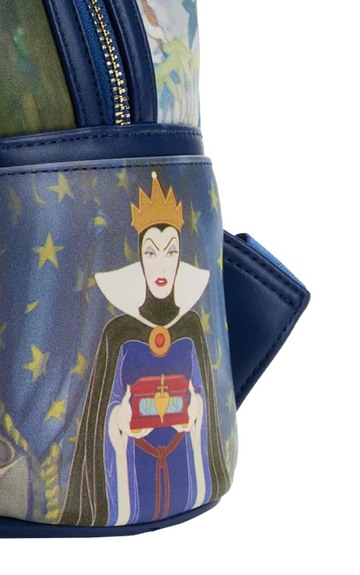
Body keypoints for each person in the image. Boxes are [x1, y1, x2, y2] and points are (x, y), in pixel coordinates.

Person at [62, 171, 230, 526]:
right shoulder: (119, 334)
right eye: (151, 252)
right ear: (139, 257)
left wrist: (197, 409)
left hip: (184, 467)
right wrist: (119, 422)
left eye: (171, 251)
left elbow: (205, 404)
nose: (162, 265)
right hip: (132, 468)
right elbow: (99, 420)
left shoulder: (190, 328)